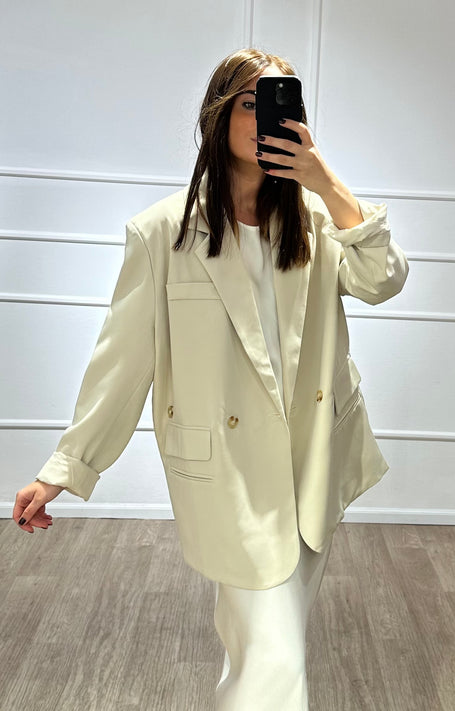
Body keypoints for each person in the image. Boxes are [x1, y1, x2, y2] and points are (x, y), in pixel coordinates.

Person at [12, 48, 409, 709]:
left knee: (265, 646)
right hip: (229, 471)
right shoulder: (163, 232)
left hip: (311, 459)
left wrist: (326, 183)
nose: (262, 119)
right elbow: (122, 362)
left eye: (277, 103)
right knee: (274, 653)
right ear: (218, 116)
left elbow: (383, 280)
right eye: (249, 103)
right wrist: (66, 468)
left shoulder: (316, 221)